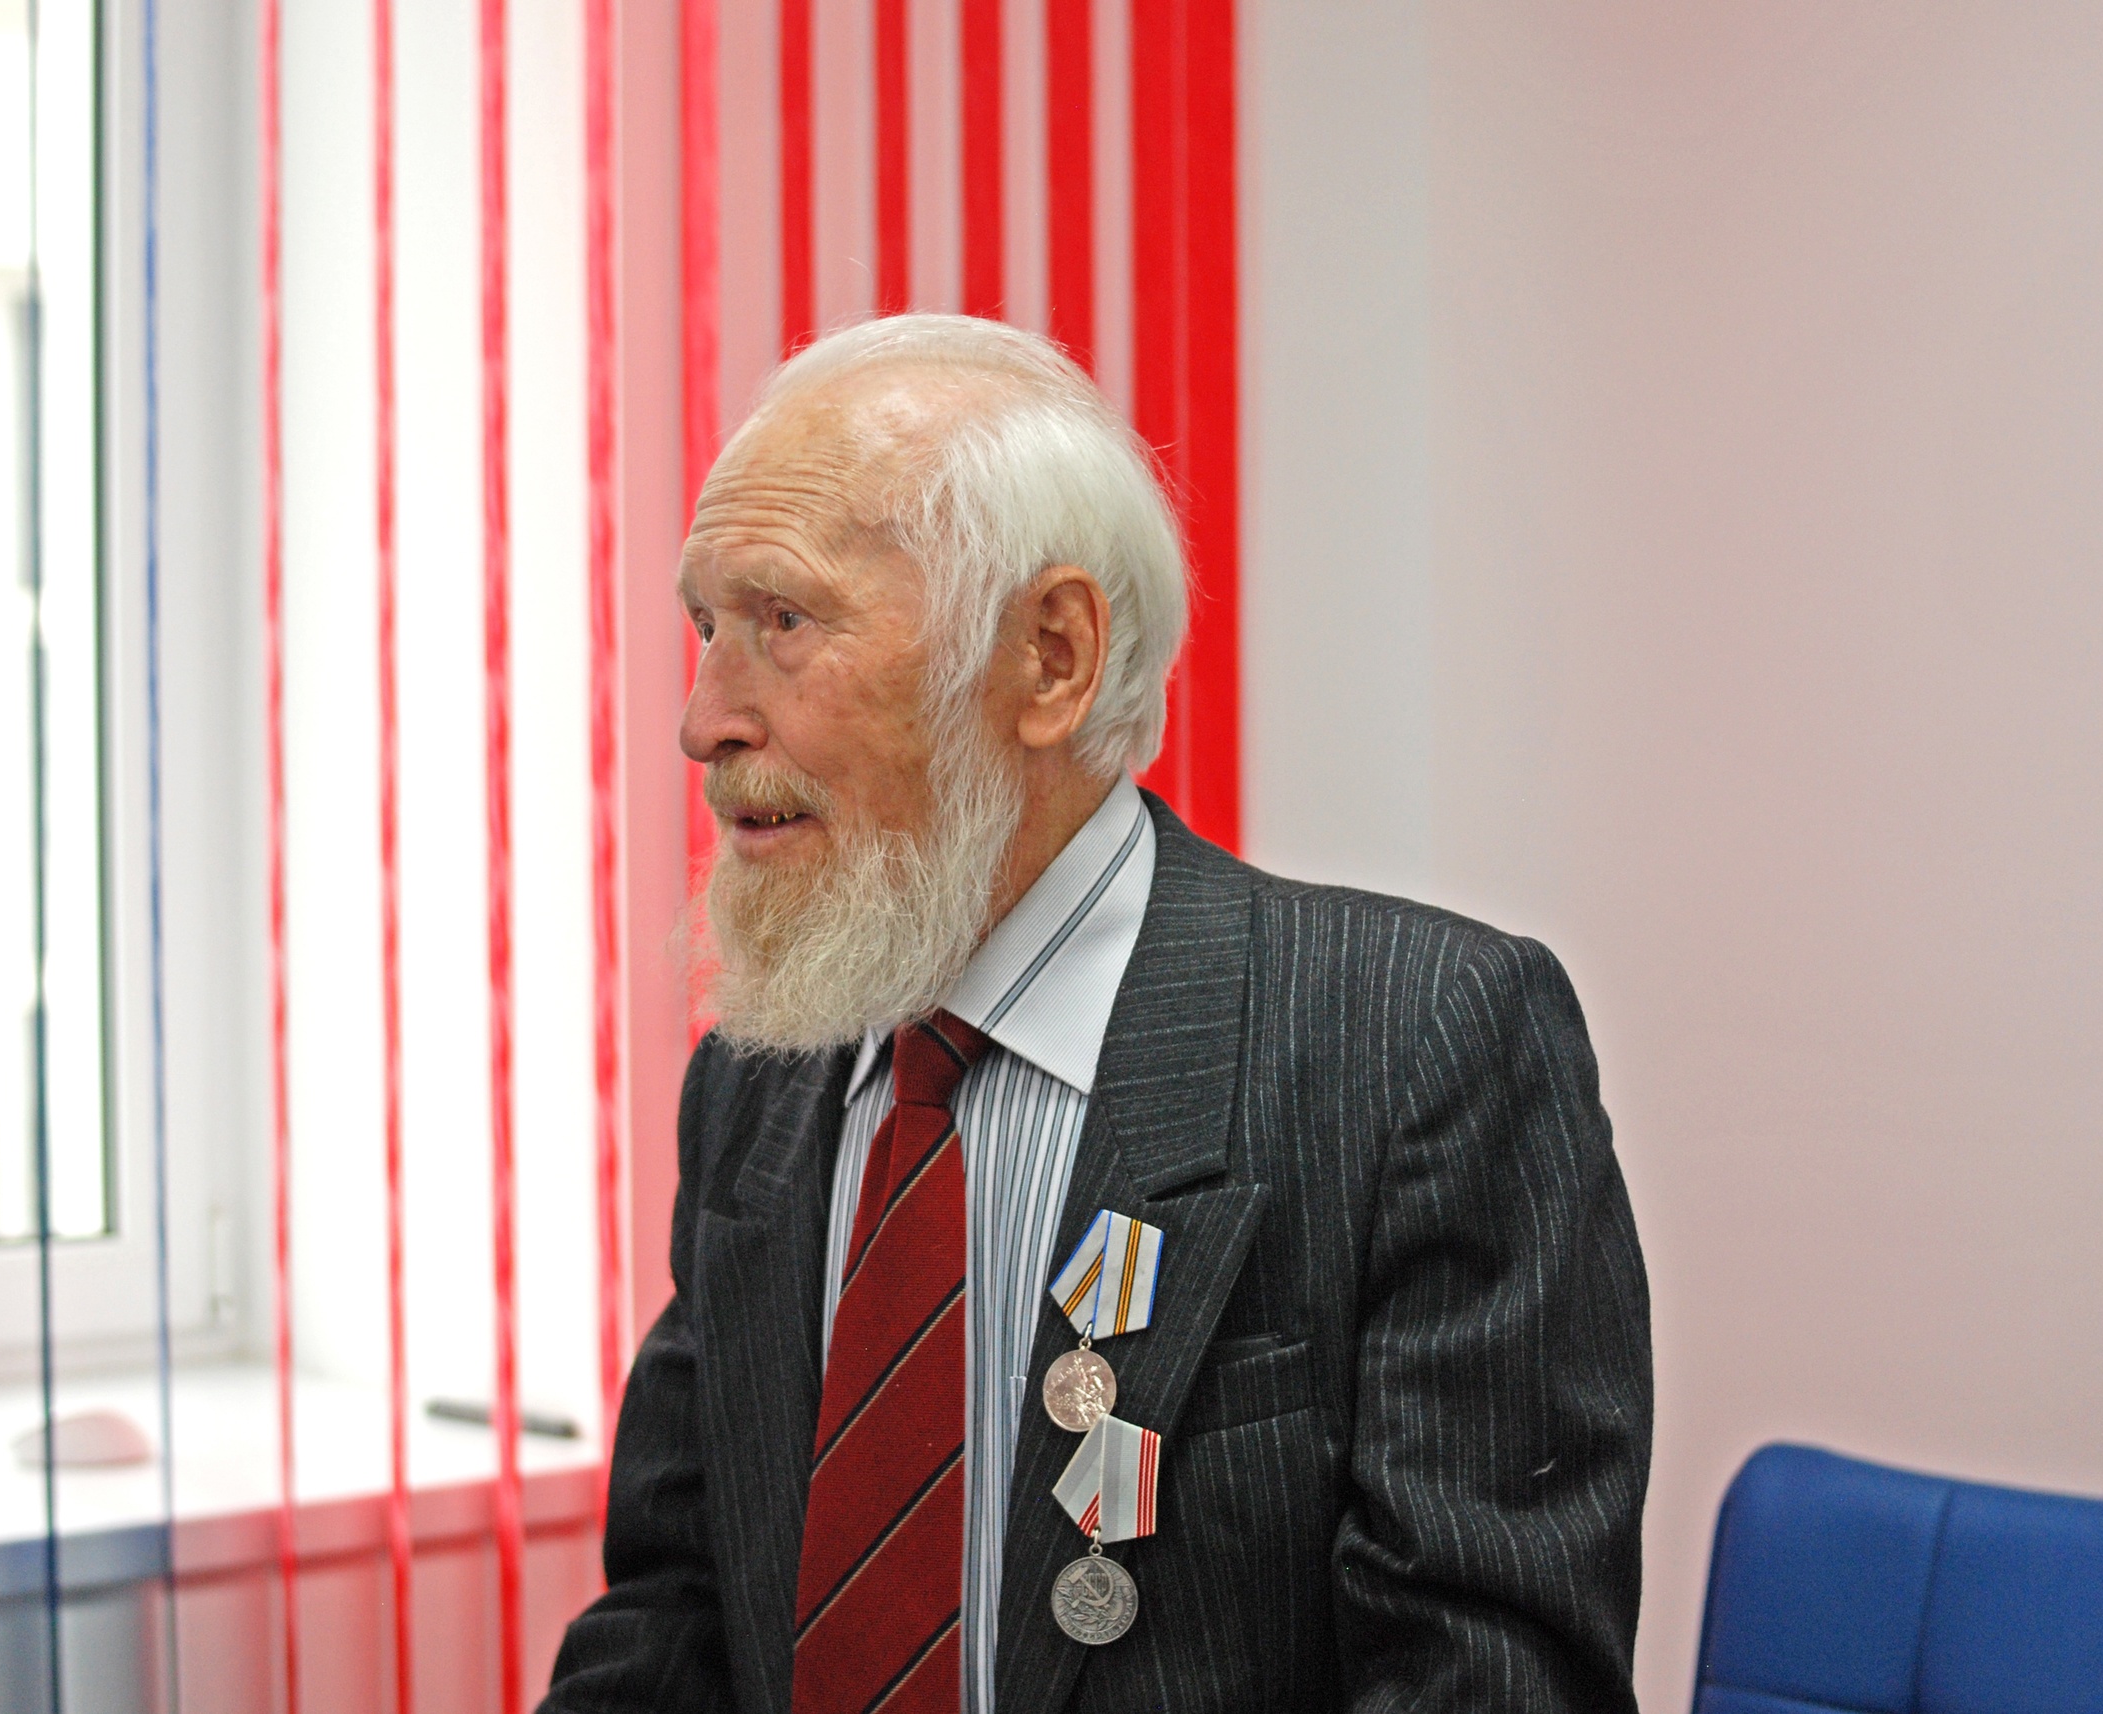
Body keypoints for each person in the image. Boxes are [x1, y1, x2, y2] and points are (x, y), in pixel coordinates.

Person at [541, 314, 1652, 1714]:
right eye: (707, 627)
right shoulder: (757, 1086)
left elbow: (1485, 1683)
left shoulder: (1417, 1048)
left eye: (785, 622)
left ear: (1050, 657)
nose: (703, 720)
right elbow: (674, 1615)